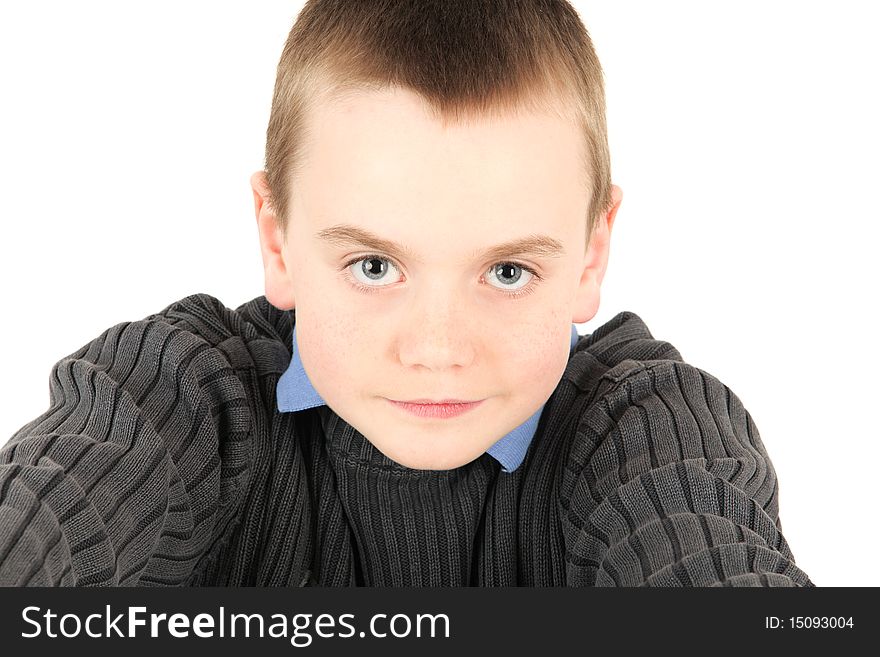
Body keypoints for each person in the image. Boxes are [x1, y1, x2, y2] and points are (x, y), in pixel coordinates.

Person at [0, 0, 813, 587]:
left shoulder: (647, 429)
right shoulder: (185, 399)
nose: (436, 349)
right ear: (277, 240)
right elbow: (56, 506)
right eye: (374, 267)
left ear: (592, 254)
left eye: (507, 272)